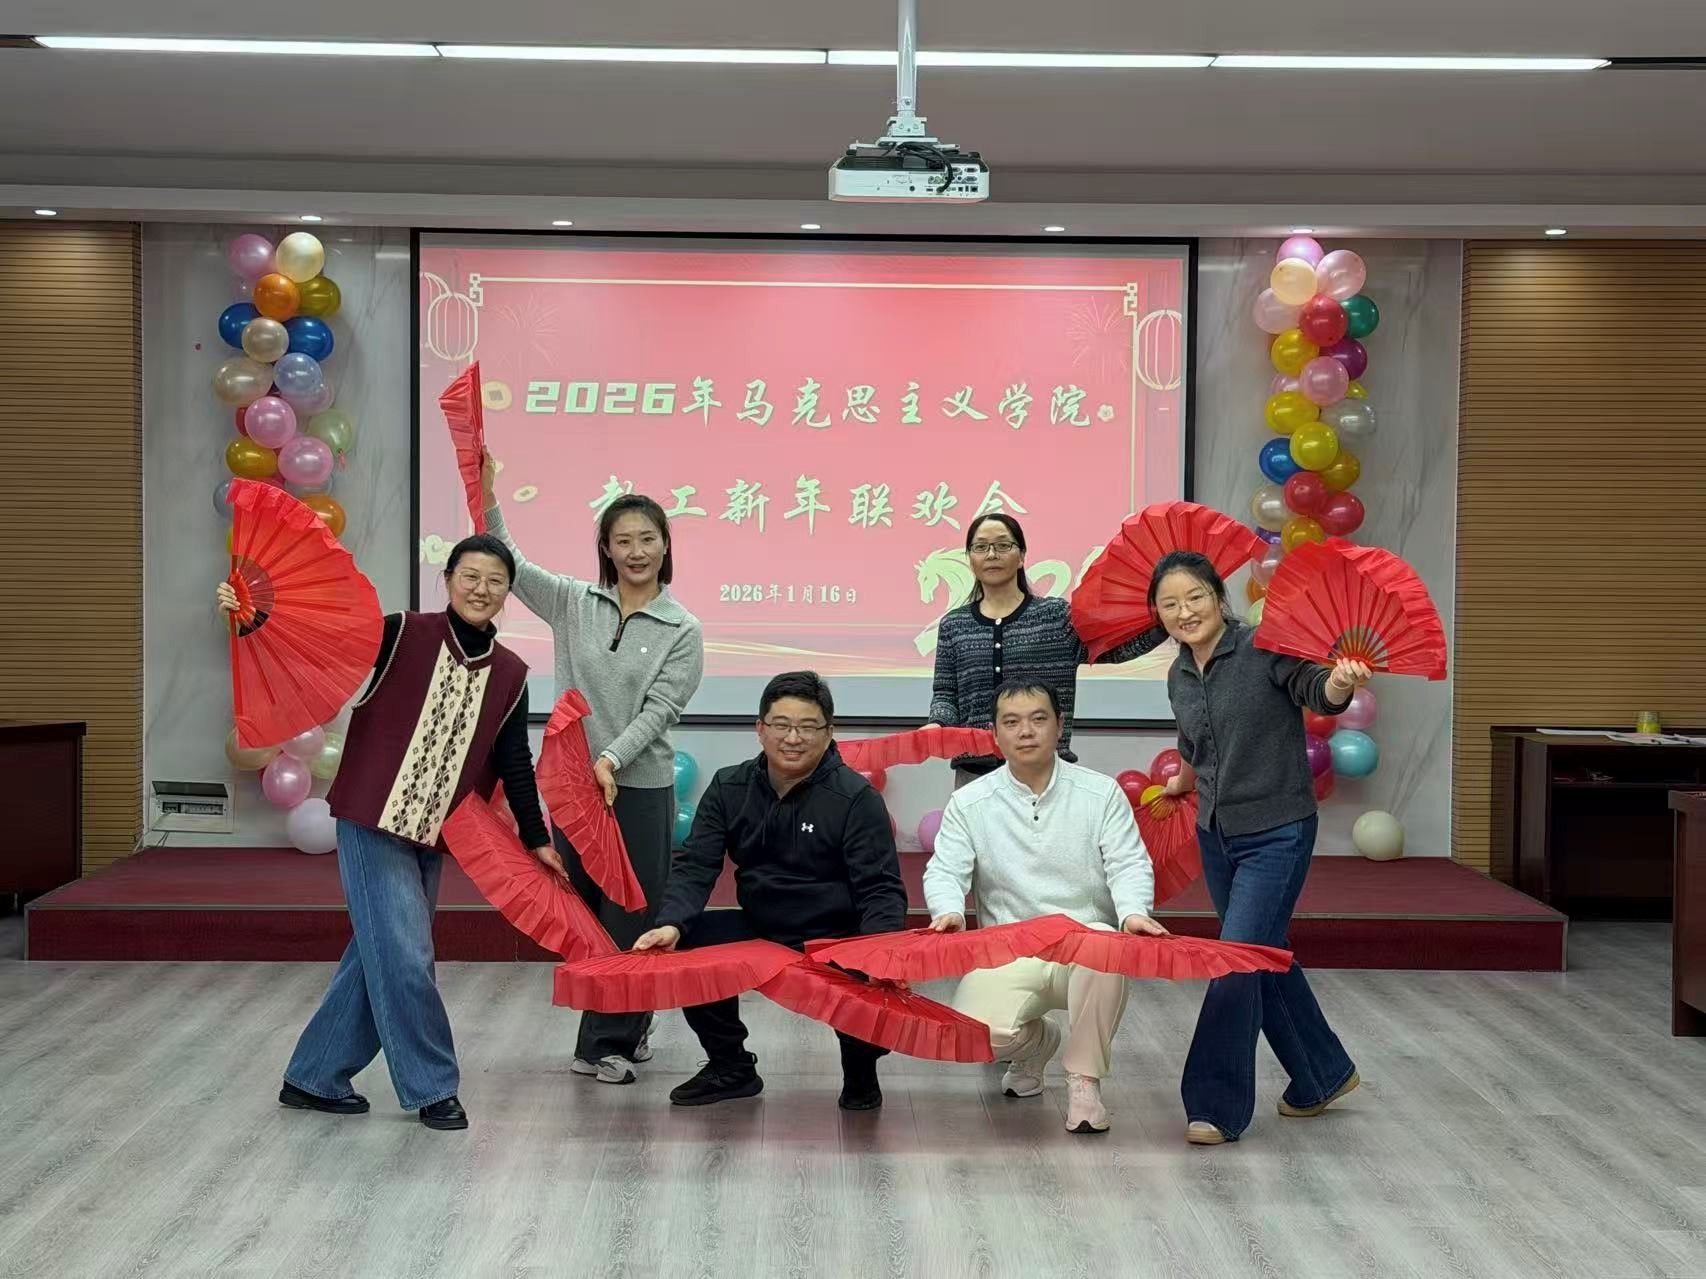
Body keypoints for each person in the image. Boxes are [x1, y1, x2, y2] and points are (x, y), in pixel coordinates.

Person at [218, 534, 562, 1132]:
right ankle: (433, 1087)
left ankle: (314, 1076)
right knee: (406, 955)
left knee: (379, 952)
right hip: (370, 819)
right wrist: (255, 616)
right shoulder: (401, 632)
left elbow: (514, 761)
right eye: (470, 576)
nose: (481, 589)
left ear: (508, 592)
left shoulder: (510, 673)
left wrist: (537, 838)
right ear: (448, 579)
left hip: (432, 833)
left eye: (495, 581)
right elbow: (322, 644)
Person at [482, 451, 704, 1086]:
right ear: (606, 548)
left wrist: (612, 757)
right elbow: (511, 565)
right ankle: (625, 1025)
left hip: (639, 788)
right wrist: (489, 495)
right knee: (586, 911)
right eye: (622, 540)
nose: (636, 551)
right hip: (576, 788)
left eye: (647, 539)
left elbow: (660, 709)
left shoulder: (681, 628)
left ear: (665, 545)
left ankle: (607, 1041)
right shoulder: (574, 602)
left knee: (632, 913)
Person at [1149, 549, 1370, 1146]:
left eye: (1195, 597)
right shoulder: (1177, 674)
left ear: (1219, 597)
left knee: (1236, 958)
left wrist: (1340, 682)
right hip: (1216, 832)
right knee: (1262, 953)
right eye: (1169, 604)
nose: (1185, 612)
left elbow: (1316, 688)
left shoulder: (1264, 646)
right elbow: (1195, 742)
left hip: (1277, 830)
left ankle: (1214, 1105)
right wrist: (1183, 781)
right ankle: (1323, 1072)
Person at [633, 671, 908, 1111]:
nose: (793, 738)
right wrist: (671, 923)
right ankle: (731, 1067)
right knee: (689, 944)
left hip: (837, 933)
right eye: (781, 725)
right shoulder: (729, 786)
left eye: (808, 726)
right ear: (760, 728)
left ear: (829, 732)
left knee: (869, 970)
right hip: (762, 926)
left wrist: (882, 956)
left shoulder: (856, 797)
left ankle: (861, 1072)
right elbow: (696, 865)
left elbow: (880, 889)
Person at [923, 678, 1165, 1134]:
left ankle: (1084, 1082)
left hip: (1084, 946)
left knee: (1107, 944)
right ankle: (1037, 1046)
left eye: (1038, 719)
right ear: (995, 734)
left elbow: (1128, 862)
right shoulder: (970, 802)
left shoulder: (1100, 793)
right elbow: (945, 869)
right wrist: (948, 909)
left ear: (1059, 726)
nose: (1026, 731)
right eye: (1012, 722)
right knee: (976, 1035)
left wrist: (1133, 911)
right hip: (1009, 949)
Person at [927, 512, 1168, 785]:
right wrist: (938, 724)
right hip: (975, 775)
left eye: (1003, 545)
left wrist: (1165, 621)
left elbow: (1115, 649)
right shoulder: (954, 625)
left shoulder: (1056, 616)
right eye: (981, 547)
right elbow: (945, 693)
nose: (992, 554)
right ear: (970, 558)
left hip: (1046, 772)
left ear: (1021, 556)